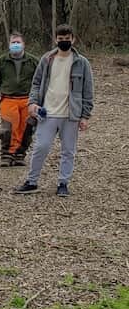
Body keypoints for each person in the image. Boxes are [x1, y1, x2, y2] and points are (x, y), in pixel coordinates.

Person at [14, 25, 94, 197]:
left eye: (67, 39)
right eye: (60, 39)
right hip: (47, 112)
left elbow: (88, 91)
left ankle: (63, 183)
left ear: (73, 39)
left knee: (68, 151)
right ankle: (31, 181)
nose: (64, 42)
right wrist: (32, 102)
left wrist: (85, 115)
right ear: (55, 39)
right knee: (40, 147)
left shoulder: (82, 63)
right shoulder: (47, 59)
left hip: (71, 114)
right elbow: (36, 83)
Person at [0, 33, 38, 167]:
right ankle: (6, 155)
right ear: (9, 44)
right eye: (13, 43)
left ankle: (19, 154)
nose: (15, 45)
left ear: (23, 44)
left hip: (27, 100)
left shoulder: (33, 61)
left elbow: (39, 81)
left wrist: (39, 100)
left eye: (18, 42)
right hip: (8, 99)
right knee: (8, 129)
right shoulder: (1, 61)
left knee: (26, 128)